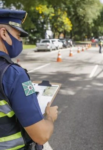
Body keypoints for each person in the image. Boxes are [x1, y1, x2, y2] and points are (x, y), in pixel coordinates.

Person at [0, 9, 58, 150]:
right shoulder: (13, 74)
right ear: (3, 33)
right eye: (18, 35)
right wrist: (50, 117)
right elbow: (41, 136)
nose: (20, 41)